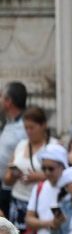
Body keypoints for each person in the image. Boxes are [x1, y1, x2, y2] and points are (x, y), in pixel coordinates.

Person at [4, 107, 58, 232]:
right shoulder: (21, 145)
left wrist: (38, 177)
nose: (28, 131)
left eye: (32, 127)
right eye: (26, 128)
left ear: (43, 125)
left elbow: (62, 175)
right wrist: (13, 175)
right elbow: (7, 180)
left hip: (42, 203)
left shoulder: (53, 146)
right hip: (18, 200)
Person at [23, 143, 68, 234]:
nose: (47, 172)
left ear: (62, 166)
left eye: (51, 168)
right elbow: (29, 219)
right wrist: (50, 223)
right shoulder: (39, 187)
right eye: (44, 168)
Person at [0, 82, 27, 218]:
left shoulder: (25, 127)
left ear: (8, 101)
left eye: (1, 97)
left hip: (12, 189)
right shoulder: (8, 122)